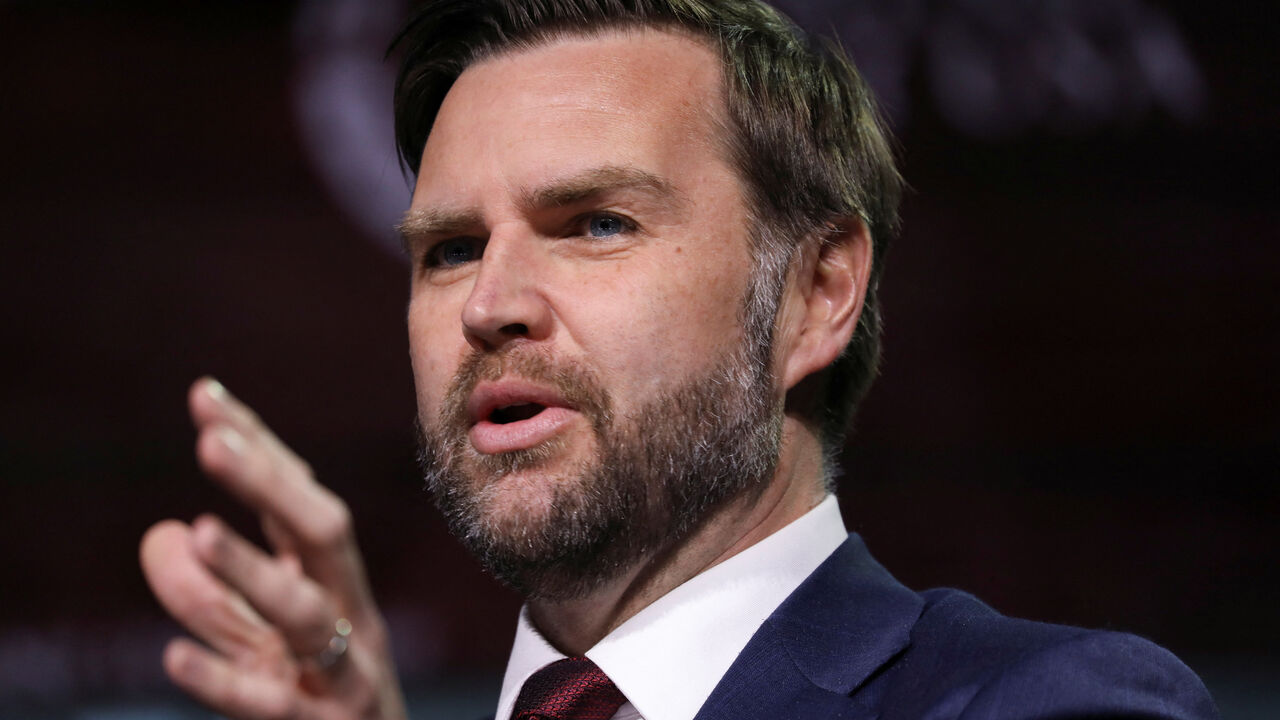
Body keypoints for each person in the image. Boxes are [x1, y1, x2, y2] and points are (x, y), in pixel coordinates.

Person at [139, 1, 1219, 718]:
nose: (490, 305)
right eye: (451, 249)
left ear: (815, 293)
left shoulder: (1044, 702)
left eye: (596, 223)